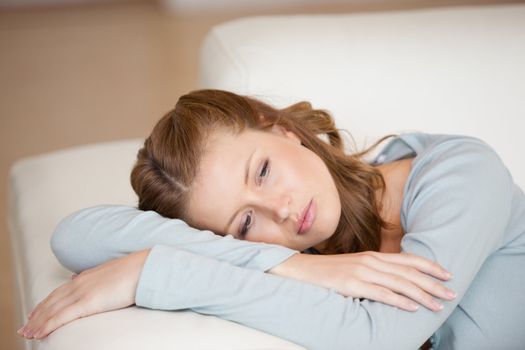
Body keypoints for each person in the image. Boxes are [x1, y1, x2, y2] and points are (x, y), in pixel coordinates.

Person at [17, 89, 525, 349]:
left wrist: (157, 271)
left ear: (283, 130)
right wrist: (293, 266)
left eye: (261, 171)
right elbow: (77, 236)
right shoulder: (307, 253)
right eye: (243, 223)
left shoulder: (461, 174)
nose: (280, 210)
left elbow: (383, 339)